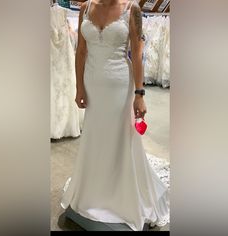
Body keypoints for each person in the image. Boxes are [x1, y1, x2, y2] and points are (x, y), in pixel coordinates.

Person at [61, 0, 169, 231]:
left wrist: (140, 94)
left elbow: (137, 53)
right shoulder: (85, 8)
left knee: (119, 139)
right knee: (96, 136)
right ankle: (95, 188)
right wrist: (79, 87)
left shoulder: (132, 9)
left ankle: (119, 192)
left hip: (120, 85)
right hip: (93, 83)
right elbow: (81, 50)